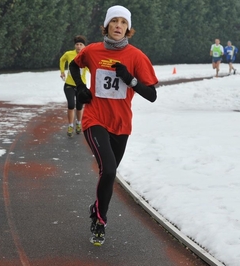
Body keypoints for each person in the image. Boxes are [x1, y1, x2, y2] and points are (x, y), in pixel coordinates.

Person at [69, 5, 158, 246]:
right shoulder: (93, 51)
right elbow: (74, 65)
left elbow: (151, 95)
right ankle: (100, 221)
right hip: (95, 119)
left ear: (128, 29)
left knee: (109, 173)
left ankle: (96, 208)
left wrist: (130, 80)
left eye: (123, 22)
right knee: (108, 170)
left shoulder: (137, 56)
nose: (118, 26)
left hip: (121, 124)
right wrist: (80, 87)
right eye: (114, 21)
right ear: (106, 25)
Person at [59, 35, 89, 137]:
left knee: (79, 107)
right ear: (74, 45)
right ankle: (70, 125)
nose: (79, 46)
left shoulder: (87, 56)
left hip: (81, 85)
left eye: (81, 44)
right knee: (71, 105)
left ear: (84, 46)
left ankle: (78, 123)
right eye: (77, 44)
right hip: (69, 85)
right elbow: (62, 60)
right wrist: (62, 71)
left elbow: (91, 68)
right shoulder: (69, 54)